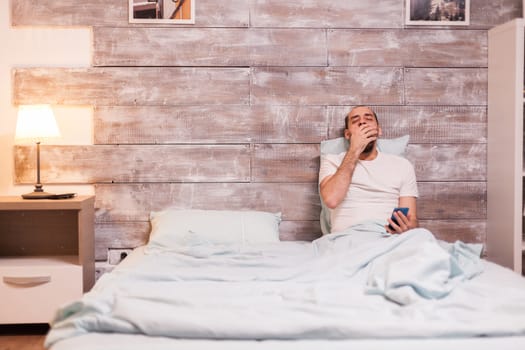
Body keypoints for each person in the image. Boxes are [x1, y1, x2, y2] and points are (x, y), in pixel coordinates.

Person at [319, 106, 418, 234]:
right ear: (348, 134)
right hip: (347, 237)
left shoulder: (403, 165)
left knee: (424, 236)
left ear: (378, 131)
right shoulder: (332, 161)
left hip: (388, 237)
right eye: (355, 121)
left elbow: (412, 219)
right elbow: (331, 199)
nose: (362, 122)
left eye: (368, 119)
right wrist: (355, 150)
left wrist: (407, 228)